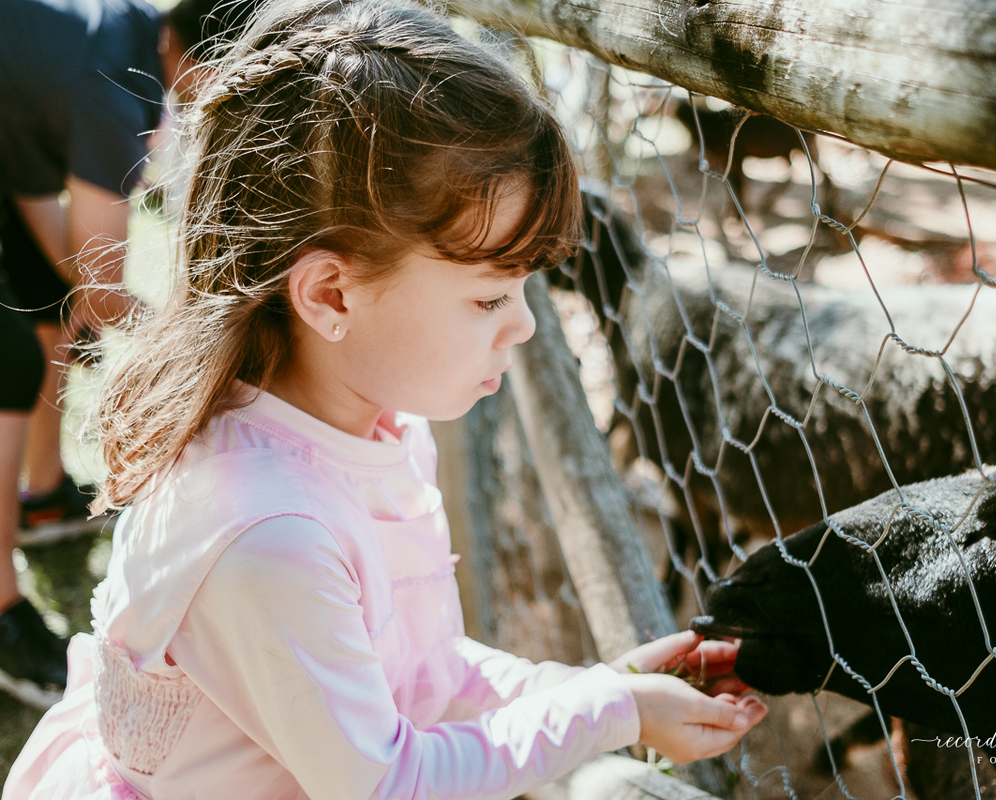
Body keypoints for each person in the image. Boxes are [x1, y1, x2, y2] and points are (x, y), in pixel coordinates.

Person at [2, 0, 769, 796]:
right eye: (488, 298)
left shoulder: (374, 428)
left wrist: (593, 689)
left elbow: (420, 674)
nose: (525, 328)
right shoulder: (271, 534)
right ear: (330, 295)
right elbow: (386, 782)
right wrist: (608, 711)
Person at [0, 0, 257, 709]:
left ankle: (43, 495)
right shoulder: (120, 80)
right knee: (12, 357)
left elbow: (37, 203)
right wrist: (204, 339)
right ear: (205, 71)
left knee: (48, 304)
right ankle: (1, 609)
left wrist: (80, 290)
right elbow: (106, 287)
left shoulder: (126, 28)